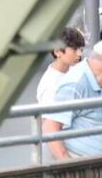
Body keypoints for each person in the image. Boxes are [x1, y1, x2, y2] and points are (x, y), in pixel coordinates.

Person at [49, 38, 102, 158]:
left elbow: (97, 119)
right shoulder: (76, 83)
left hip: (89, 162)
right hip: (77, 161)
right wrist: (67, 163)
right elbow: (50, 127)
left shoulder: (95, 80)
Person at [37, 25, 87, 162]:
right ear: (58, 52)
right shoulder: (51, 83)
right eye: (74, 49)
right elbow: (49, 125)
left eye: (80, 49)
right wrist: (64, 157)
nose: (79, 54)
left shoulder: (71, 72)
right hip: (56, 151)